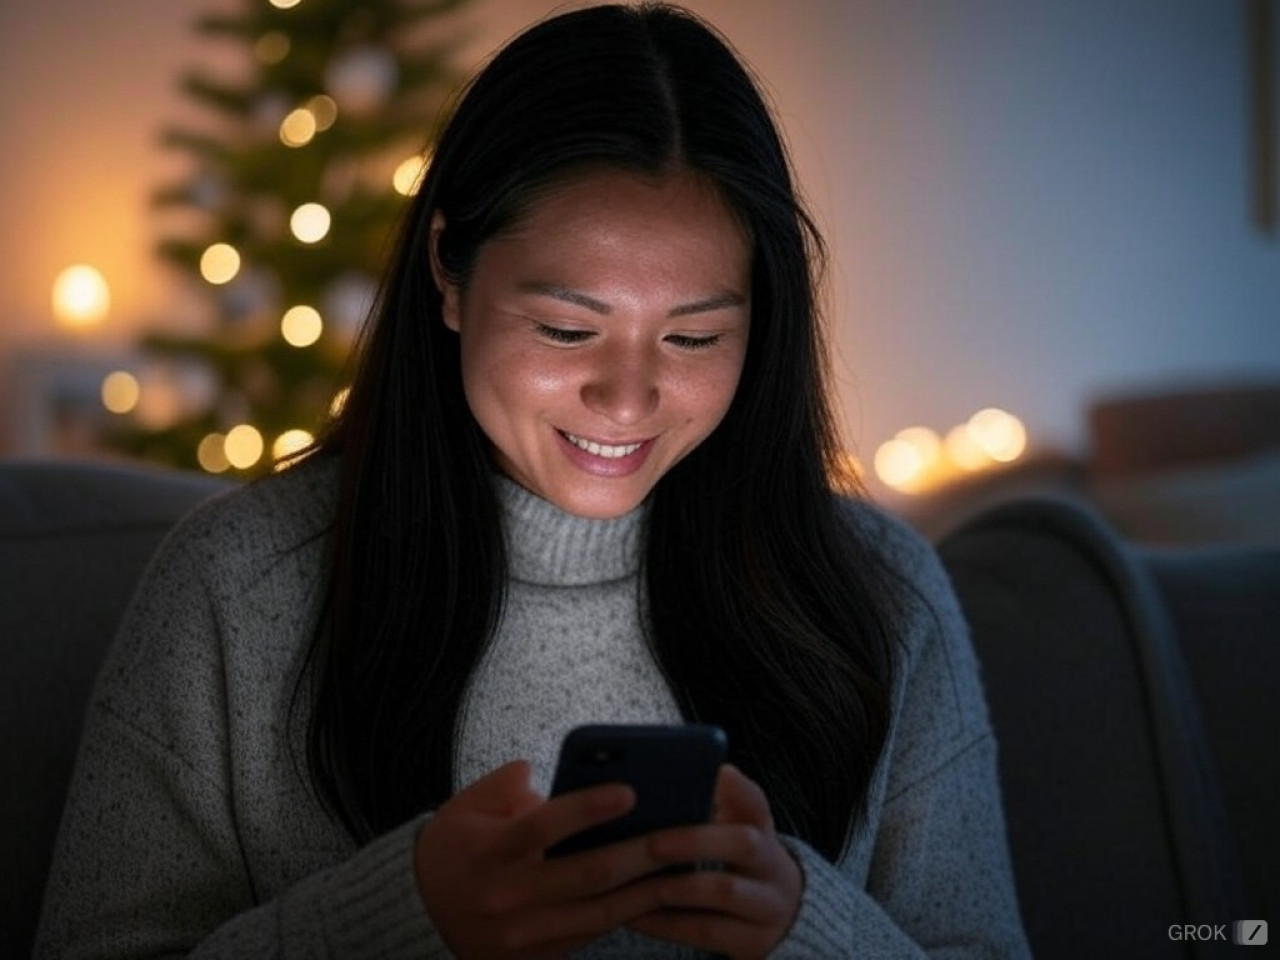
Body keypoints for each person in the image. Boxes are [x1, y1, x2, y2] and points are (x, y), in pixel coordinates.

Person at [36, 3, 1031, 958]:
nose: (628, 397)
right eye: (565, 329)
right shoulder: (233, 588)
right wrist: (404, 922)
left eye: (693, 336)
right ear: (449, 275)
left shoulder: (879, 593)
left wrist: (804, 928)